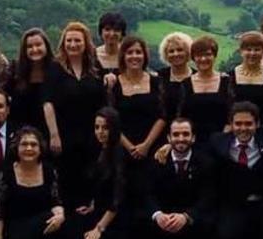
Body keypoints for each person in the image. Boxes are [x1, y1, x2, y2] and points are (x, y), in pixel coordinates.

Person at [207, 101, 263, 239]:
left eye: (248, 123)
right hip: (235, 203)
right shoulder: (217, 141)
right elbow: (197, 150)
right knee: (225, 238)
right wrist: (168, 146)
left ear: (257, 124)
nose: (243, 128)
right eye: (238, 124)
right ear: (231, 125)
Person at [42, 22, 107, 207]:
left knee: (90, 177)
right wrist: (54, 134)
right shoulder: (55, 68)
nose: (73, 44)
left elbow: (103, 101)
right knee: (65, 179)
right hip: (63, 134)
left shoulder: (95, 67)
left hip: (91, 134)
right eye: (69, 40)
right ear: (63, 43)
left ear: (86, 43)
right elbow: (47, 103)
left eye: (77, 40)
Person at [0, 128, 67, 239]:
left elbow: (56, 200)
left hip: (43, 230)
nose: (29, 148)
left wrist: (60, 215)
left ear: (40, 148)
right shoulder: (7, 172)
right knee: (47, 217)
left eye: (34, 144)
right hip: (17, 231)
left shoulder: (48, 170)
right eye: (24, 144)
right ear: (16, 148)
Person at [63, 108, 129, 239]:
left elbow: (117, 198)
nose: (100, 132)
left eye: (105, 128)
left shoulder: (119, 154)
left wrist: (99, 229)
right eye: (97, 127)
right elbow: (99, 185)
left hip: (114, 218)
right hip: (99, 209)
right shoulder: (98, 150)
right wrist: (92, 205)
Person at [144, 117, 213, 239]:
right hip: (166, 218)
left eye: (185, 134)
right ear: (169, 137)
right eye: (176, 135)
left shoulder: (205, 162)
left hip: (191, 217)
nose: (181, 139)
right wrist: (158, 215)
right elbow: (148, 192)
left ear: (193, 138)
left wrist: (186, 216)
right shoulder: (157, 159)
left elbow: (208, 196)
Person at [109, 35, 166, 200]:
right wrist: (130, 147)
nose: (134, 56)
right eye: (129, 52)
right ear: (123, 56)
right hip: (123, 147)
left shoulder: (156, 81)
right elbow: (112, 120)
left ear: (145, 56)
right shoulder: (114, 85)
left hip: (152, 146)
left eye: (138, 52)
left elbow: (162, 116)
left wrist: (146, 145)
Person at [177, 35, 233, 142]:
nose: (203, 59)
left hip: (222, 140)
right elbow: (181, 116)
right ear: (193, 58)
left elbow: (233, 113)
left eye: (208, 55)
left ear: (214, 56)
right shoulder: (185, 84)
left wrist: (223, 137)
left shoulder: (227, 81)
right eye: (198, 55)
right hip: (192, 142)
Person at [1, 27, 53, 136]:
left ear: (46, 46)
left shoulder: (56, 70)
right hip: (19, 132)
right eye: (29, 46)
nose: (34, 49)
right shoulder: (15, 70)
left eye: (38, 45)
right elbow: (0, 93)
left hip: (50, 132)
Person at [229, 31, 263, 129]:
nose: (252, 53)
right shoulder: (231, 76)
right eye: (248, 49)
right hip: (239, 129)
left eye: (257, 50)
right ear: (241, 51)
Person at [156, 31, 194, 119]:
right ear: (166, 54)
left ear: (188, 52)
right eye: (171, 51)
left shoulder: (197, 76)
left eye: (180, 50)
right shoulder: (158, 77)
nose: (175, 54)